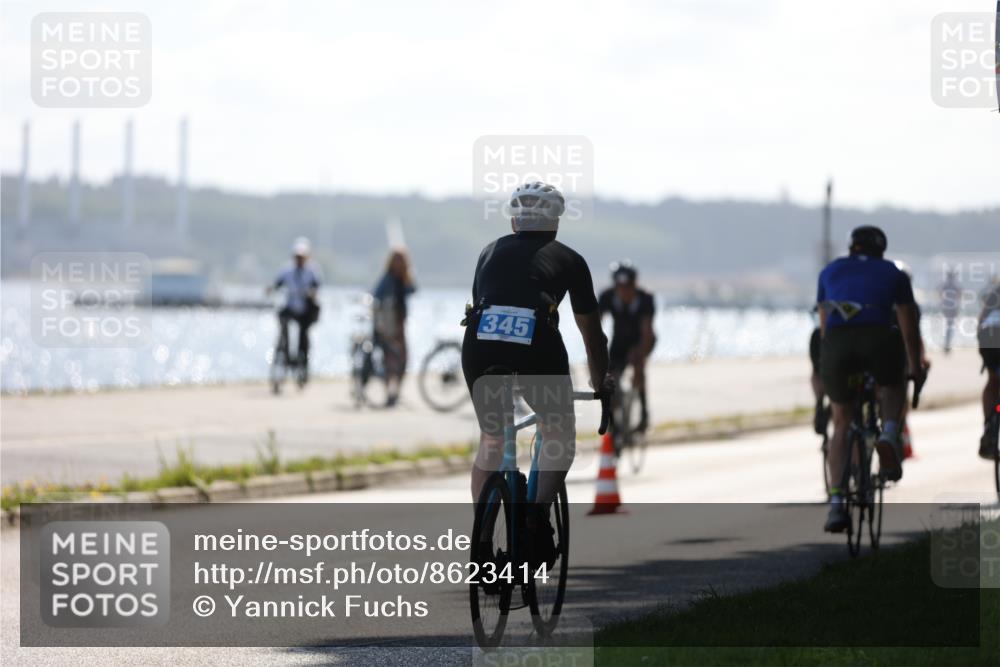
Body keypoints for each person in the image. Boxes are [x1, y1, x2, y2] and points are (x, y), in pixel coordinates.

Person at [462, 181, 613, 567]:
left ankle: (481, 538)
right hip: (537, 345)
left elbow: (486, 300)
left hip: (480, 344)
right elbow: (592, 335)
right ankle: (534, 517)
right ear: (556, 223)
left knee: (492, 439)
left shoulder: (488, 251)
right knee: (558, 430)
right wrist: (601, 384)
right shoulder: (571, 260)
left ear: (514, 220)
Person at [817, 226, 927, 533]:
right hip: (878, 338)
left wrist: (829, 364)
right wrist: (914, 366)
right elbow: (908, 325)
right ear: (882, 250)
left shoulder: (830, 271)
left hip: (837, 344)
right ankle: (890, 432)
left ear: (852, 247)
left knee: (841, 422)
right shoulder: (894, 273)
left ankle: (837, 504)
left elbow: (824, 325)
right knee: (892, 383)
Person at [598, 261, 656, 433]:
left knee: (638, 368)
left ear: (634, 284)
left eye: (628, 286)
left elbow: (647, 332)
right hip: (619, 341)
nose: (624, 291)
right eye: (620, 286)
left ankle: (644, 414)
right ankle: (613, 421)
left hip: (643, 339)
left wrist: (639, 354)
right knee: (609, 378)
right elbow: (596, 327)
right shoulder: (607, 297)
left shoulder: (645, 298)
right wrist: (597, 356)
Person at [267, 237, 321, 382]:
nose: (299, 259)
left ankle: (303, 364)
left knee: (303, 335)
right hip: (290, 308)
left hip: (304, 310)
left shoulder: (312, 271)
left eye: (302, 257)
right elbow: (277, 283)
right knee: (283, 325)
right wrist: (271, 288)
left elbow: (316, 286)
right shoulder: (287, 270)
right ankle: (283, 352)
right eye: (297, 257)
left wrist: (311, 293)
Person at [372, 249, 416, 407]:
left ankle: (396, 392)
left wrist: (408, 275)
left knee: (402, 359)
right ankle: (390, 393)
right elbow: (376, 297)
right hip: (388, 326)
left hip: (400, 324)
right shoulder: (387, 279)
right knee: (390, 360)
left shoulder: (403, 279)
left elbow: (413, 290)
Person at [978, 278, 1000, 459]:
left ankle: (988, 426)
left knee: (992, 381)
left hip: (989, 333)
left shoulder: (996, 289)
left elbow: (982, 318)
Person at [940, 268, 961, 354]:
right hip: (952, 308)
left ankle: (946, 344)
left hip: (946, 307)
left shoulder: (945, 284)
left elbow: (940, 294)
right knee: (950, 326)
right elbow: (959, 294)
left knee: (948, 326)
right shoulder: (955, 284)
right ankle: (947, 344)